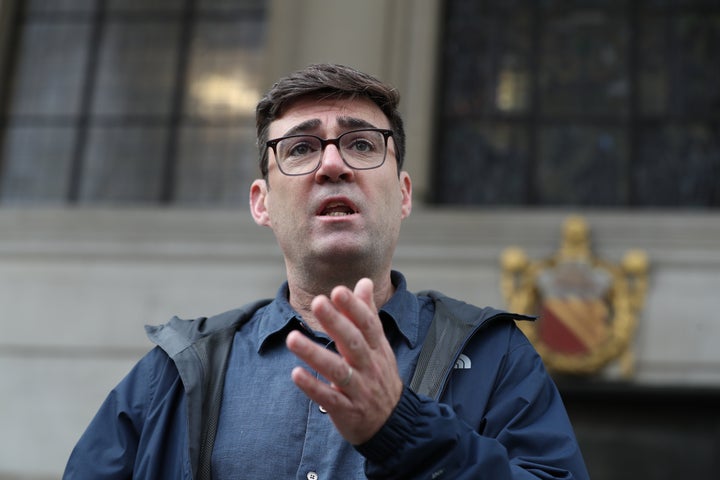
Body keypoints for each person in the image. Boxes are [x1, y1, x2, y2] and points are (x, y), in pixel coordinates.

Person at [64, 63, 589, 480]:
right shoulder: (176, 372)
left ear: (403, 194)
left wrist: (406, 432)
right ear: (261, 203)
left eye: (361, 144)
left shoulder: (494, 357)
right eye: (300, 147)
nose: (332, 164)